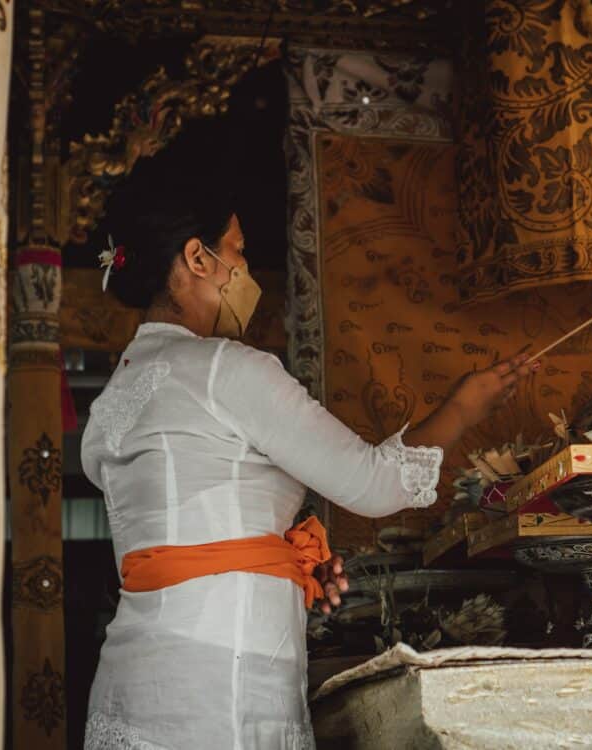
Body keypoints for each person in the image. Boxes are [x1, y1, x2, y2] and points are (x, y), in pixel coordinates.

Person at [80, 172, 534, 750]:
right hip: (222, 686)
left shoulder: (115, 397)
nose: (244, 268)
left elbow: (182, 533)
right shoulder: (227, 369)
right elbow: (375, 484)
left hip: (135, 680)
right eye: (237, 251)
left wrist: (280, 558)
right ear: (198, 257)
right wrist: (464, 409)